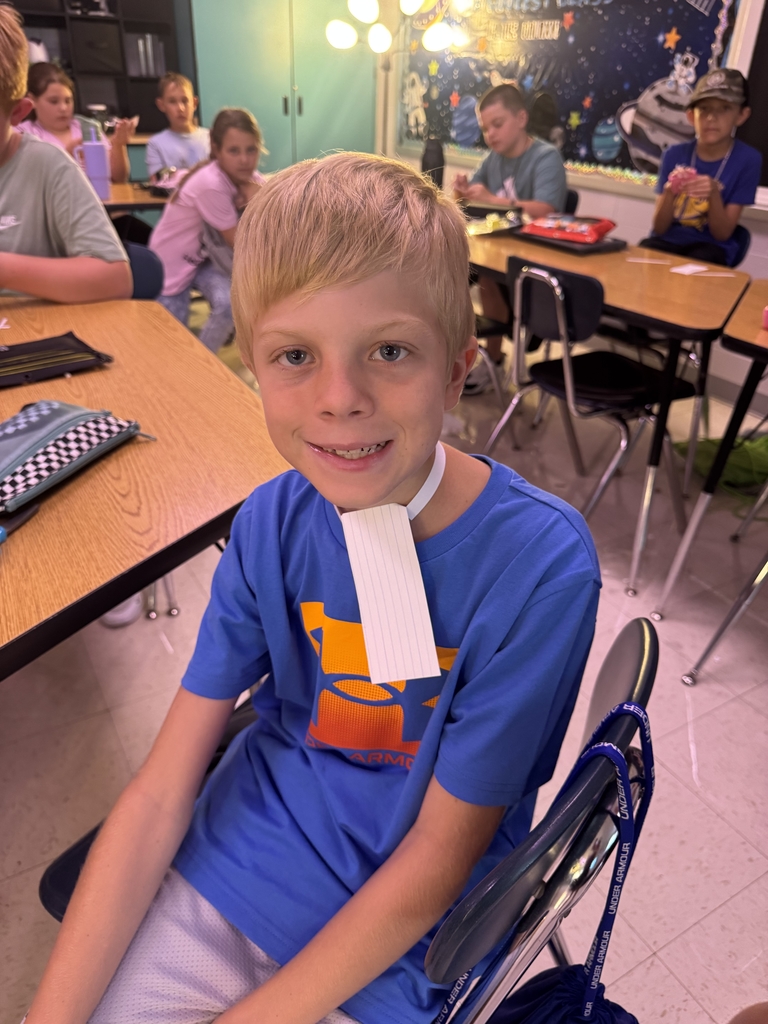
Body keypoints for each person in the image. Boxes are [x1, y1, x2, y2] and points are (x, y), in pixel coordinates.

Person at [26, 152, 600, 1024]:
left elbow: (436, 865)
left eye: (391, 351)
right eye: (295, 354)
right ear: (252, 364)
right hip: (232, 870)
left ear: (456, 370)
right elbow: (159, 793)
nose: (339, 399)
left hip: (394, 953)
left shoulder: (540, 571)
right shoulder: (270, 524)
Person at [0, 10, 131, 303]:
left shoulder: (48, 163)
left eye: (67, 101)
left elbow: (115, 279)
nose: (63, 108)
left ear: (18, 113)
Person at [453, 83, 567, 394]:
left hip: (538, 258)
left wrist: (491, 199)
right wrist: (462, 191)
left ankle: (493, 356)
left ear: (521, 118)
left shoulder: (546, 157)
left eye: (497, 124)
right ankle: (482, 356)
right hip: (501, 252)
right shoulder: (493, 158)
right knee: (470, 272)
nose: (491, 134)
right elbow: (472, 200)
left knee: (487, 278)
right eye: (485, 128)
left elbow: (546, 211)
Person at [149, 107, 264, 353]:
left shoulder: (245, 176)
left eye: (251, 149)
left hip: (203, 260)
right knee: (170, 345)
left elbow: (276, 196)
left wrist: (261, 194)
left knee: (228, 305)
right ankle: (191, 366)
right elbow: (242, 243)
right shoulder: (211, 185)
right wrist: (258, 200)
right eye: (234, 151)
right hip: (172, 266)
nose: (244, 160)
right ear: (217, 150)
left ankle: (203, 359)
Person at [642, 68, 761, 267]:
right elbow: (659, 228)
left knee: (700, 260)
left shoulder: (748, 160)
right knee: (644, 255)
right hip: (666, 242)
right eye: (704, 108)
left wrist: (714, 194)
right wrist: (670, 192)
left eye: (724, 108)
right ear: (691, 116)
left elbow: (722, 234)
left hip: (711, 248)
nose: (711, 118)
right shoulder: (674, 154)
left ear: (741, 115)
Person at [17, 62, 136, 184]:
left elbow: (119, 179)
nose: (63, 108)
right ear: (32, 100)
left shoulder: (88, 128)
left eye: (68, 101)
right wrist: (67, 155)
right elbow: (26, 184)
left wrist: (118, 145)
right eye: (54, 101)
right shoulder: (23, 134)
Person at [146, 72, 210, 180]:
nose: (180, 108)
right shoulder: (155, 144)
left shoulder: (211, 138)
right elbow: (157, 181)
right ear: (161, 105)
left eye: (185, 101)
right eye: (172, 101)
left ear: (194, 103)